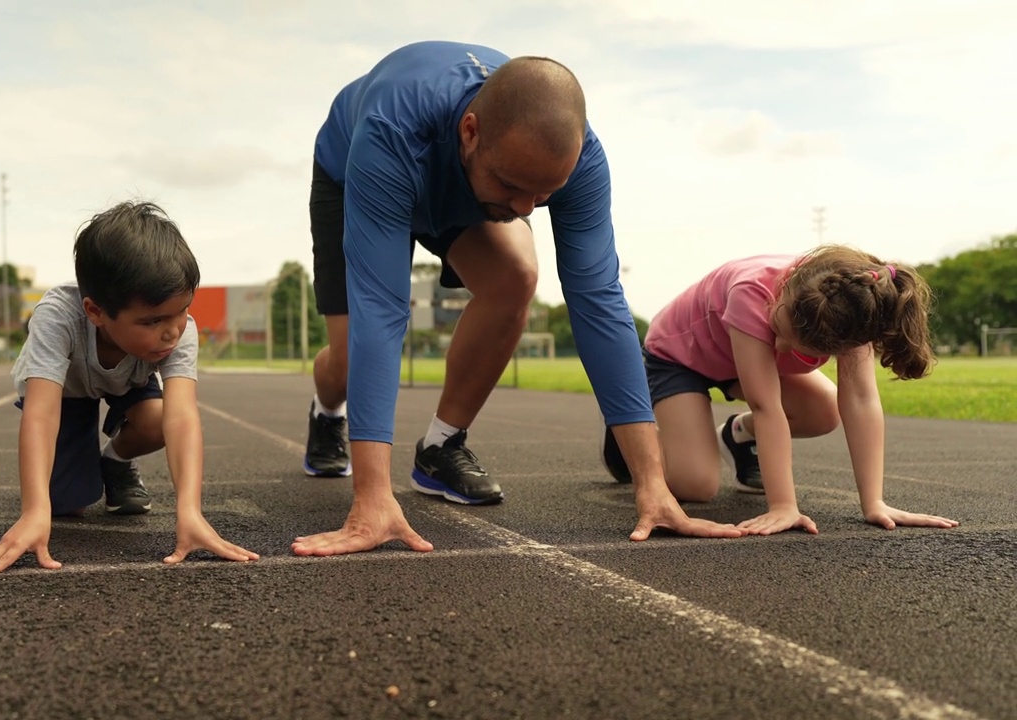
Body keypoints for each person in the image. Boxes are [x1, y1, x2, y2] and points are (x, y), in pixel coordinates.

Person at [294, 40, 745, 557]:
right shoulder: (393, 127)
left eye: (544, 195)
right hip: (357, 167)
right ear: (470, 132)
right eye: (514, 187)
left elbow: (599, 300)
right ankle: (328, 411)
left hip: (462, 179)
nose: (525, 208)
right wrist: (371, 496)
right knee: (351, 352)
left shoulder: (580, 159)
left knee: (515, 276)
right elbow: (382, 307)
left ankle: (441, 446)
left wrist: (652, 484)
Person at [0, 201, 259, 575]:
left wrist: (190, 511)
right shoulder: (58, 317)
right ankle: (71, 482)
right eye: (153, 320)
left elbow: (182, 416)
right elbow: (41, 413)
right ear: (95, 312)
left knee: (157, 420)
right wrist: (34, 511)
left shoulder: (178, 329)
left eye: (182, 310)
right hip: (67, 390)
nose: (172, 330)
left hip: (129, 379)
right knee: (67, 504)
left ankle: (116, 462)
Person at [603, 246, 960, 535]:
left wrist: (874, 503)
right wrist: (784, 506)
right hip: (680, 357)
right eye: (779, 329)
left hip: (737, 363)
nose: (782, 347)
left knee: (823, 411)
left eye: (798, 345)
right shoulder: (752, 292)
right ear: (788, 286)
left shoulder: (852, 313)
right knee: (697, 486)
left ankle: (736, 437)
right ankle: (632, 439)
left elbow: (862, 401)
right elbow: (766, 406)